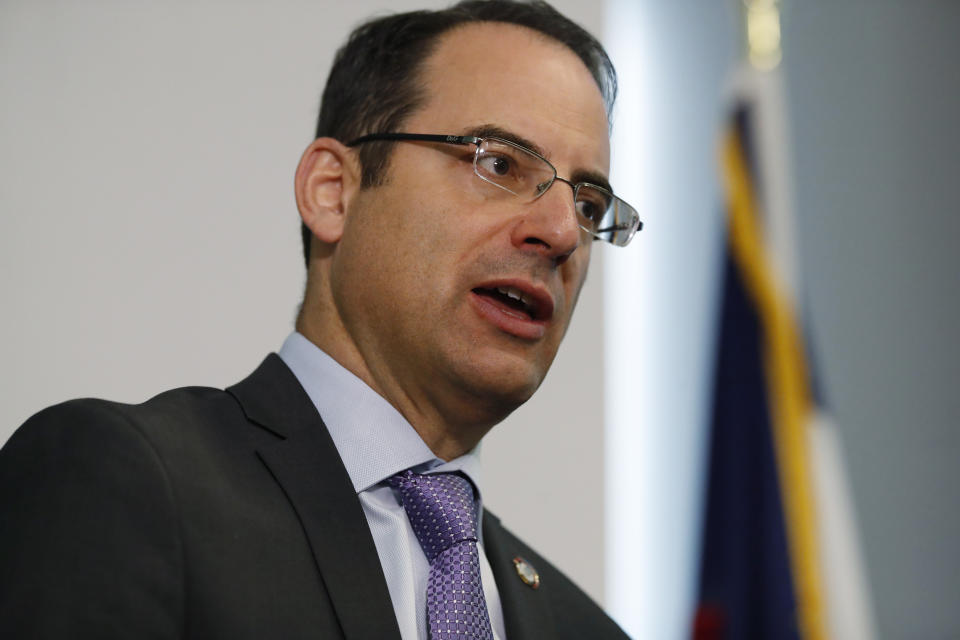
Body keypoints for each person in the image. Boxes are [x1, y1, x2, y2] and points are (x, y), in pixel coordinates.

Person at [0, 1, 641, 638]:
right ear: (333, 192)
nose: (561, 233)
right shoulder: (128, 489)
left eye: (587, 205)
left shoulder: (585, 629)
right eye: (499, 164)